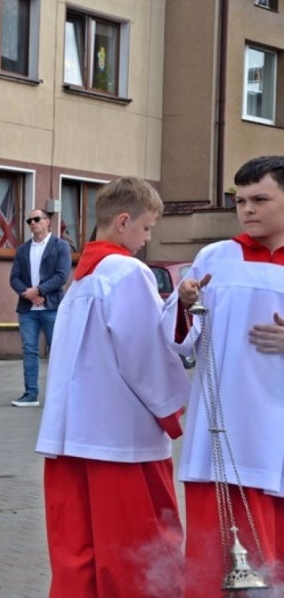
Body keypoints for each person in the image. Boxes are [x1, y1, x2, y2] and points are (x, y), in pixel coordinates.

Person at [35, 177, 190, 598]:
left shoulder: (82, 279)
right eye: (147, 228)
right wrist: (174, 407)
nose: (147, 239)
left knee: (78, 553)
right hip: (120, 444)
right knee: (136, 551)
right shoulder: (126, 272)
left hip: (72, 441)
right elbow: (145, 354)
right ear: (123, 222)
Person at [169, 156, 284, 597]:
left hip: (277, 430)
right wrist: (182, 303)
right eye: (240, 201)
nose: (248, 210)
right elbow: (182, 340)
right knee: (217, 559)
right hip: (225, 431)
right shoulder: (215, 258)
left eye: (260, 199)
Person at [8, 208, 71, 407]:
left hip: (52, 307)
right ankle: (30, 394)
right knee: (29, 351)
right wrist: (29, 294)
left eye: (36, 219)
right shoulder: (23, 250)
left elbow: (62, 276)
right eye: (29, 220)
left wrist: (39, 291)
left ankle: (60, 395)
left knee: (58, 351)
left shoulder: (60, 246)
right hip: (28, 310)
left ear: (47, 222)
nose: (32, 223)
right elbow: (14, 278)